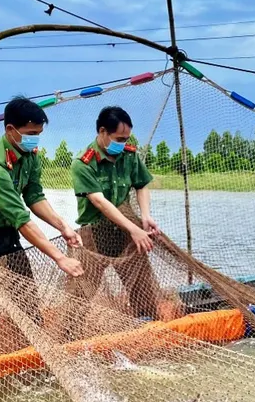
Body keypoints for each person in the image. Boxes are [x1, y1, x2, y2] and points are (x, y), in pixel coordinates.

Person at [0, 96, 84, 357]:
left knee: (27, 300)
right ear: (10, 130)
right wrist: (59, 258)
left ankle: (35, 359)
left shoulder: (30, 155)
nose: (35, 139)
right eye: (31, 133)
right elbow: (21, 219)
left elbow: (34, 197)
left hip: (6, 233)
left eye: (39, 134)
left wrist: (63, 227)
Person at [71, 106, 178, 320]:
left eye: (126, 138)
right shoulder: (83, 163)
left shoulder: (129, 155)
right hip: (93, 235)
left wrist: (145, 216)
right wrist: (134, 229)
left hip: (127, 236)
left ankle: (147, 329)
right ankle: (70, 338)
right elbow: (99, 202)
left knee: (144, 292)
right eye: (119, 138)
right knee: (79, 294)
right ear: (102, 132)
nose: (123, 144)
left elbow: (141, 185)